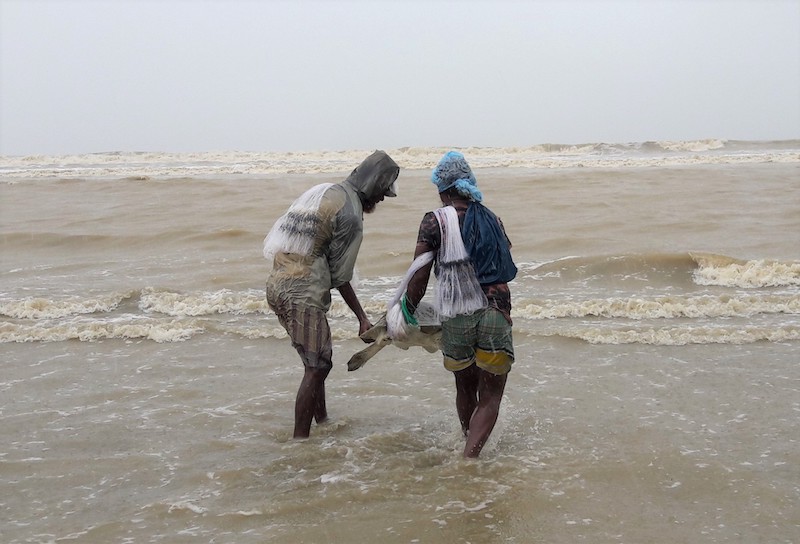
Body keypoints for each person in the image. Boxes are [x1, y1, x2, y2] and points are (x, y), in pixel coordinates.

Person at [263, 150, 400, 439]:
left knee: (315, 360)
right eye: (382, 193)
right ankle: (300, 441)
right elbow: (340, 276)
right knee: (318, 366)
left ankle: (322, 421)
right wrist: (362, 318)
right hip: (302, 291)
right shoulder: (351, 214)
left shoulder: (326, 191)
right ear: (374, 185)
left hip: (277, 284)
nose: (382, 199)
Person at [395, 151, 517, 458]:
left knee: (465, 387)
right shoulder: (493, 219)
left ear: (445, 189)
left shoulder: (433, 222)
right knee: (490, 395)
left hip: (456, 318)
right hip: (495, 314)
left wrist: (406, 311)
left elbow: (419, 275)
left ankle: (467, 449)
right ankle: (470, 455)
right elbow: (506, 265)